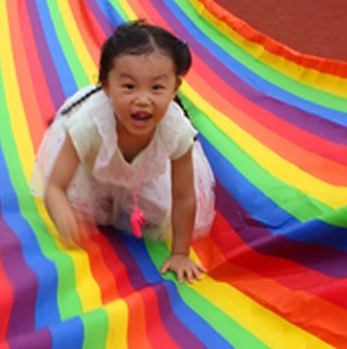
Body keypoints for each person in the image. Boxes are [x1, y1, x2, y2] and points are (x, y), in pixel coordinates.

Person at [31, 21, 215, 283]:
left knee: (157, 215)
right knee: (85, 208)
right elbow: (55, 186)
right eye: (129, 86)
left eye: (157, 88)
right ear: (106, 85)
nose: (143, 99)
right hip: (94, 170)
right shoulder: (89, 123)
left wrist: (180, 253)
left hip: (145, 175)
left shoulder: (175, 128)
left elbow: (184, 197)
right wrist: (62, 213)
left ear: (175, 88)